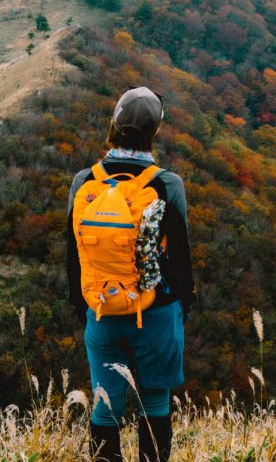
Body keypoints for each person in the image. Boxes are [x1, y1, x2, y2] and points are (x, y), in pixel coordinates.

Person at [67, 86, 195, 462]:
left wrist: (85, 308)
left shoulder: (84, 182)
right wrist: (180, 309)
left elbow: (73, 256)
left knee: (105, 405)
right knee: (154, 401)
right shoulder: (167, 184)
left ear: (113, 125)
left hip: (102, 308)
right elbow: (180, 260)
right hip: (155, 310)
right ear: (155, 132)